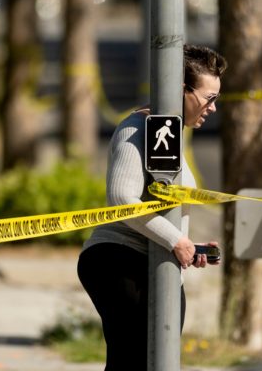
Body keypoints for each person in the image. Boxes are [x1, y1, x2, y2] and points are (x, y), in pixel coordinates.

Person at [77, 44, 227, 370]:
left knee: (157, 362)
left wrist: (188, 245)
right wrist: (176, 241)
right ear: (179, 89)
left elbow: (163, 202)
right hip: (118, 260)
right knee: (133, 362)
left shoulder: (168, 133)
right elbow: (122, 198)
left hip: (154, 262)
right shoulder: (138, 128)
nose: (213, 108)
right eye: (208, 98)